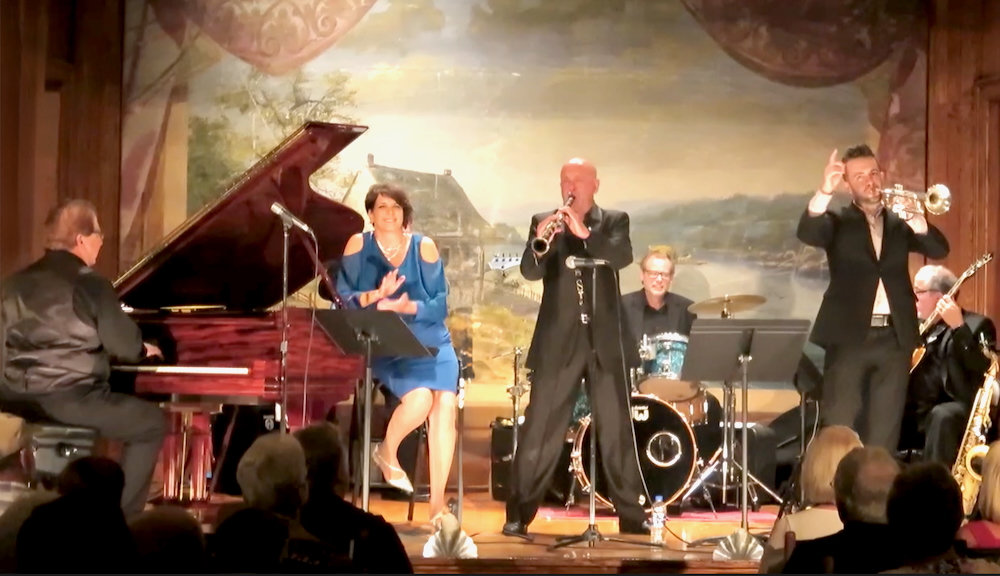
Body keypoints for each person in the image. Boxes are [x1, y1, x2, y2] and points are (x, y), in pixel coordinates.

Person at [503, 158, 649, 538]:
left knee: (616, 430)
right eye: (565, 180)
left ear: (595, 185)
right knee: (540, 429)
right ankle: (518, 513)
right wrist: (540, 245)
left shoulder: (614, 221)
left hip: (606, 341)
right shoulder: (543, 221)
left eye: (578, 180)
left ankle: (632, 515)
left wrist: (584, 233)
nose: (570, 186)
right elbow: (530, 271)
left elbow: (620, 257)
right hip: (558, 342)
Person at [0, 199, 166, 517]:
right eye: (99, 235)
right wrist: (146, 349)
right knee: (150, 423)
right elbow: (125, 347)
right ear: (81, 239)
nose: (101, 242)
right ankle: (120, 519)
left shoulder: (13, 284)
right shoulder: (90, 283)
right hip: (70, 399)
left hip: (13, 399)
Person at [797, 145, 949, 451]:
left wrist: (918, 221)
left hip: (895, 337)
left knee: (885, 429)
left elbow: (939, 249)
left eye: (874, 173)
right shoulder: (838, 221)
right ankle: (834, 482)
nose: (870, 181)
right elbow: (808, 231)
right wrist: (824, 191)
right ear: (847, 184)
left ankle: (879, 481)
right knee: (840, 426)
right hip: (849, 336)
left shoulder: (899, 223)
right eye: (860, 176)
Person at [337, 183, 459, 524]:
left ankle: (437, 507)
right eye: (382, 206)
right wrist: (377, 296)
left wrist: (410, 306)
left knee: (445, 407)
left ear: (405, 213)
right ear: (370, 213)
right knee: (420, 400)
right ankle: (386, 451)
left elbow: (440, 304)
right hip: (387, 341)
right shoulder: (358, 244)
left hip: (432, 340)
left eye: (396, 207)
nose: (390, 213)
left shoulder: (424, 247)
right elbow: (343, 298)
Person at [903, 264, 997, 465]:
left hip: (955, 405)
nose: (913, 298)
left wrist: (958, 328)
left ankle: (935, 481)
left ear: (940, 297)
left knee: (942, 416)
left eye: (918, 292)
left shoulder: (977, 325)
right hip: (919, 407)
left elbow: (983, 368)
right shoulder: (915, 328)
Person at [621, 248, 696, 344]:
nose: (659, 279)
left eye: (665, 274)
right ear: (642, 275)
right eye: (653, 273)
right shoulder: (622, 306)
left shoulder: (687, 309)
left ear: (671, 278)